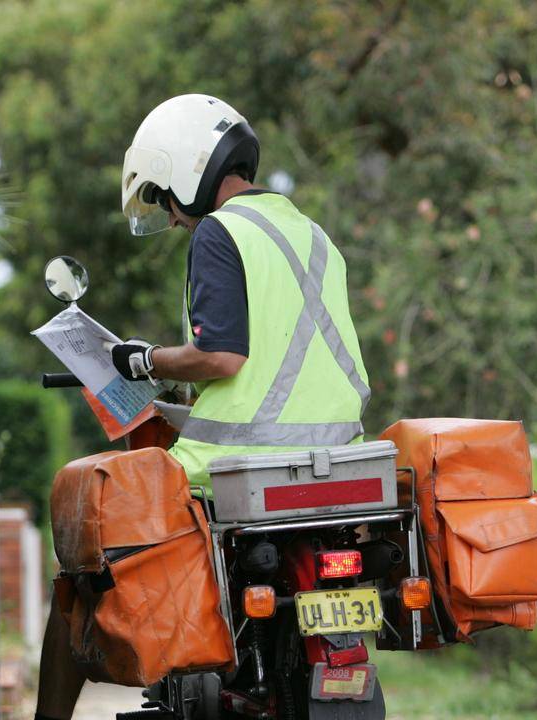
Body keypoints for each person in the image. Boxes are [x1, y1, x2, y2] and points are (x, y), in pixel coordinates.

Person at [35, 93, 370, 720]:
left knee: (81, 579)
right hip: (337, 467)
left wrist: (145, 360)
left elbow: (222, 358)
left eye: (164, 198)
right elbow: (277, 365)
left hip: (236, 469)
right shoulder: (313, 235)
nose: (172, 218)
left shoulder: (221, 231)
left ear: (187, 170)